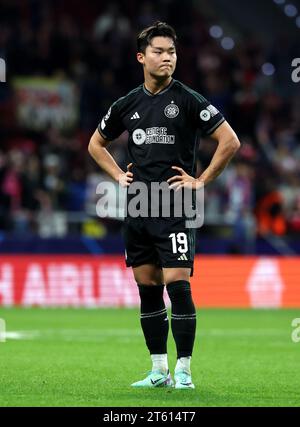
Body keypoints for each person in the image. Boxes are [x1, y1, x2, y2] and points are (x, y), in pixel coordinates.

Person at [88, 21, 240, 389]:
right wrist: (117, 176)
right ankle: (159, 371)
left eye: (171, 51)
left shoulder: (188, 99)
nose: (166, 57)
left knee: (178, 284)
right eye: (158, 51)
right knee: (148, 287)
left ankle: (184, 371)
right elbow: (95, 144)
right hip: (140, 205)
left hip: (176, 205)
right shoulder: (127, 104)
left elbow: (230, 141)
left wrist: (200, 181)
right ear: (142, 57)